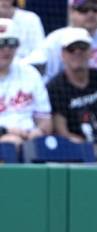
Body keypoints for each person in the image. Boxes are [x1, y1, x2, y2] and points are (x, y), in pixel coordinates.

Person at [24, 0, 97, 82]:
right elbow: (31, 66)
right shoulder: (57, 39)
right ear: (71, 12)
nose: (90, 14)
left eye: (95, 9)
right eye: (84, 9)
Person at [0, 18, 51, 147]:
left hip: (29, 142)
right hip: (6, 142)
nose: (6, 49)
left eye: (11, 43)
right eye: (1, 43)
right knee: (10, 143)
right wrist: (5, 131)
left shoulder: (30, 73)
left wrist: (39, 131)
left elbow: (45, 119)